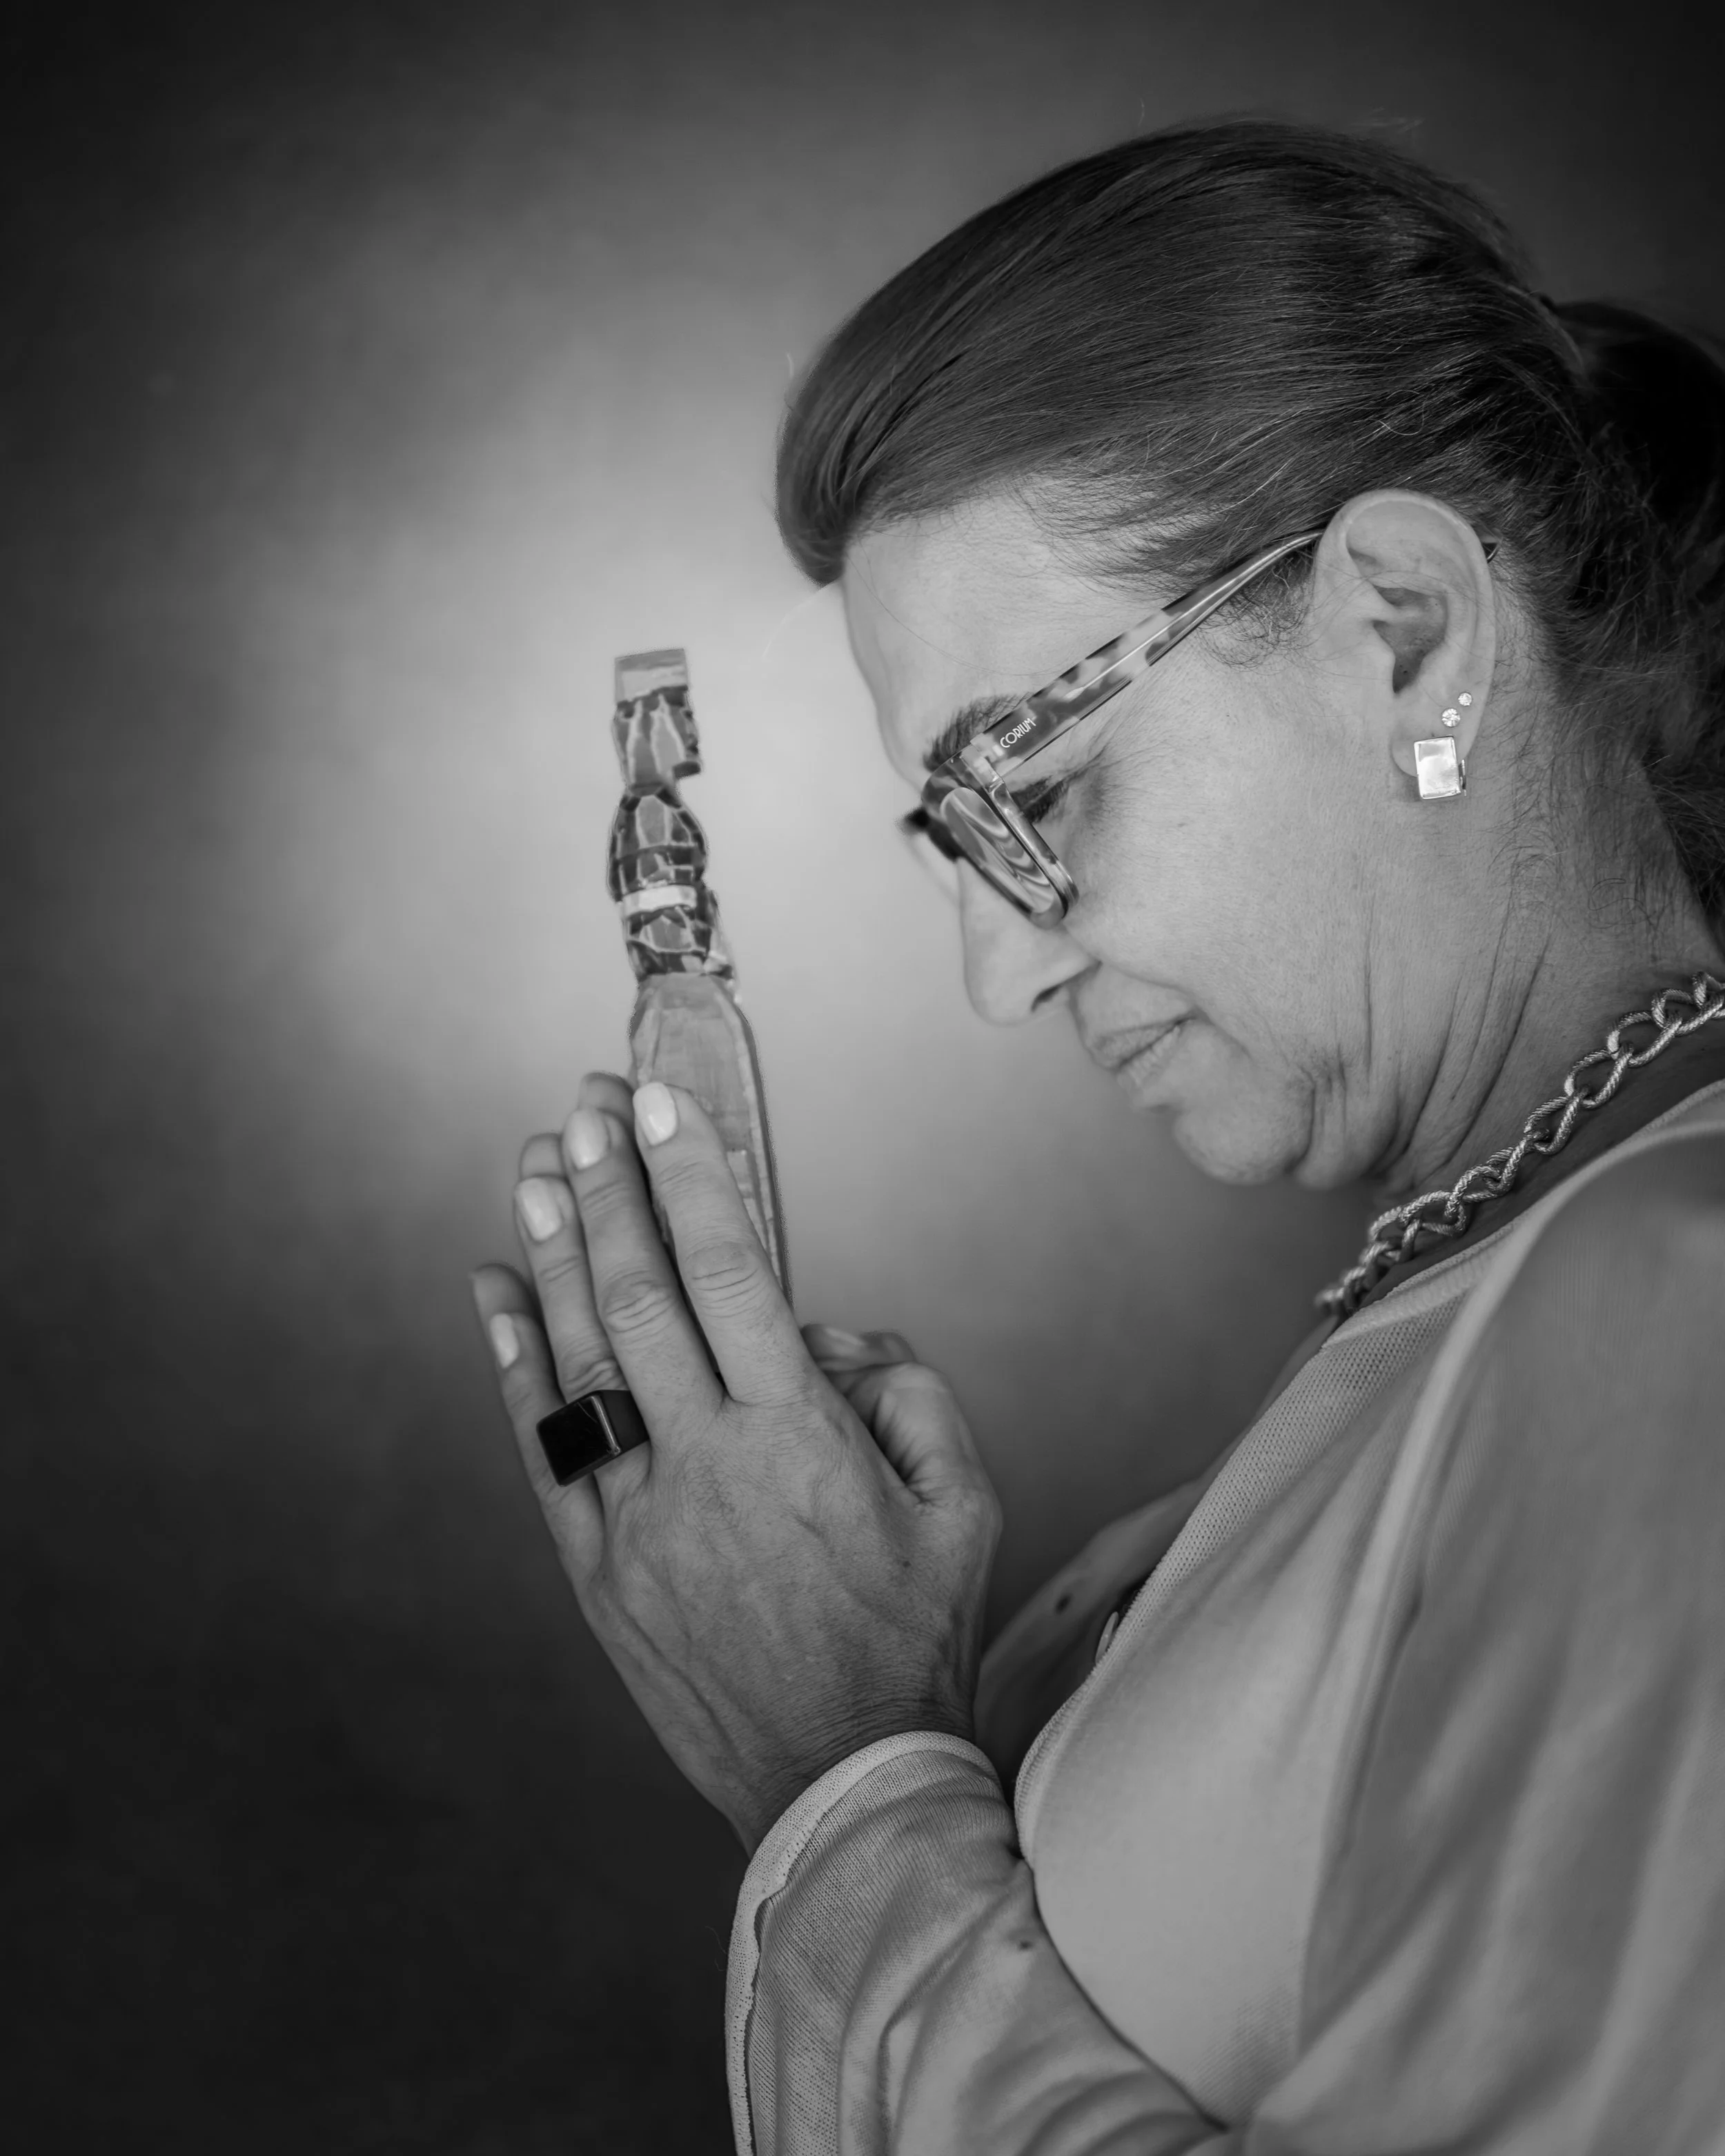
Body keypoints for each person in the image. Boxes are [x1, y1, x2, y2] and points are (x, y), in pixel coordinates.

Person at [470, 121, 1725, 2153]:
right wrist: (916, 1679)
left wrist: (842, 1769)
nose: (999, 975)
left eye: (1030, 795)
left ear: (1403, 627)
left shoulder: (1673, 1292)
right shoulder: (1507, 1277)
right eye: (947, 844)